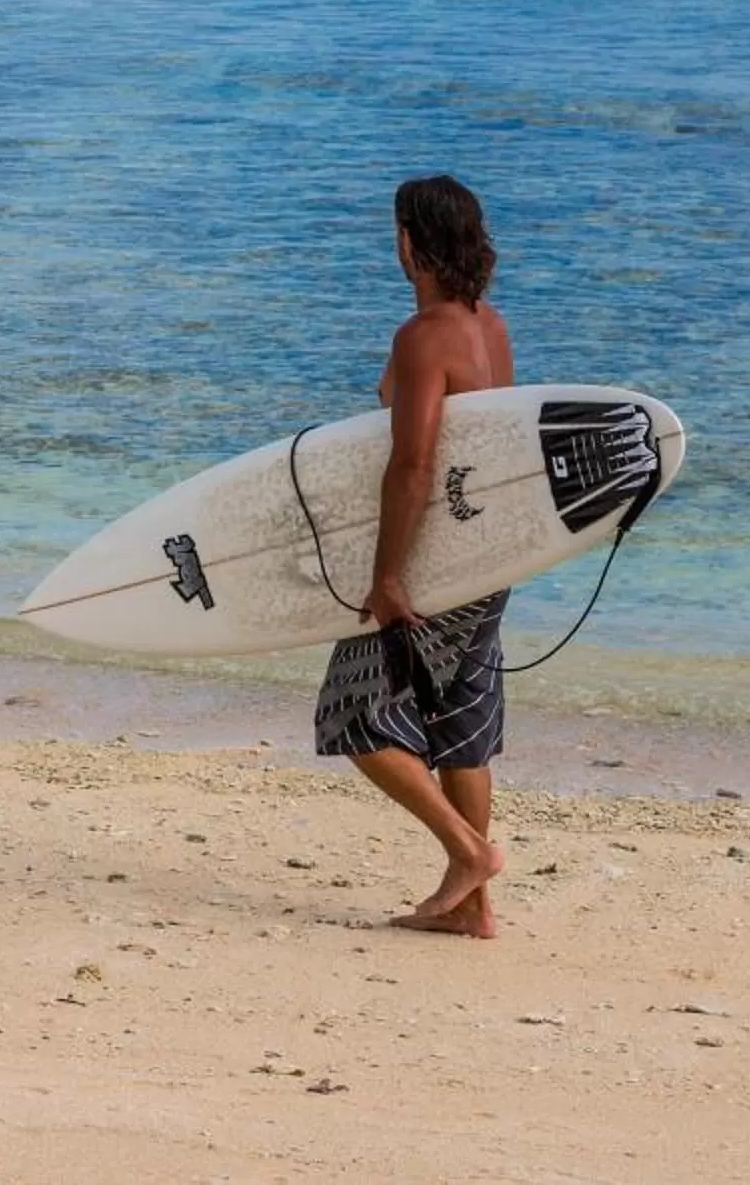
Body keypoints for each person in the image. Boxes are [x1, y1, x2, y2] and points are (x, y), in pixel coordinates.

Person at [314, 174, 515, 938]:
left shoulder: (423, 336)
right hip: (489, 555)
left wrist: (387, 575)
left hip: (433, 565)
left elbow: (415, 465)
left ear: (408, 242)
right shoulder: (488, 326)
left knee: (355, 714)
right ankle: (473, 913)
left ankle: (468, 855)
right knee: (461, 725)